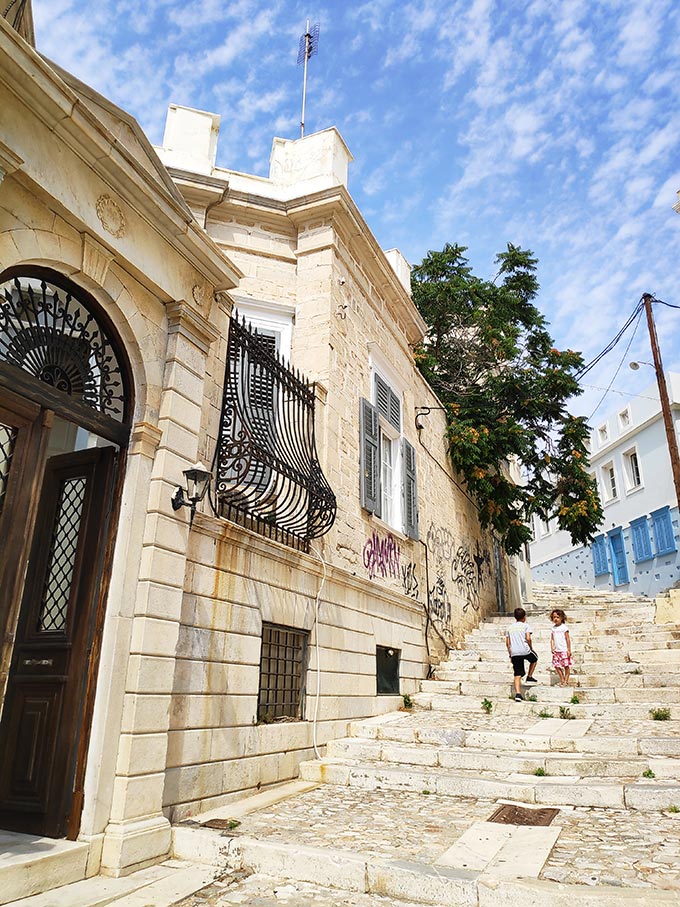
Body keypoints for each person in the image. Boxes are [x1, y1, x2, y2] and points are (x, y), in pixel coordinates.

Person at [505, 606, 538, 701]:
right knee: (535, 659)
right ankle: (529, 676)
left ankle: (518, 694)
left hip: (514, 652)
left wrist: (510, 654)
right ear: (524, 617)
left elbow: (507, 643)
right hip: (525, 650)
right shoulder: (526, 626)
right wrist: (531, 648)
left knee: (517, 674)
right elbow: (528, 638)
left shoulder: (509, 628)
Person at [550, 608, 573, 686]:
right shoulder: (553, 628)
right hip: (557, 650)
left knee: (566, 666)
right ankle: (562, 679)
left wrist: (569, 650)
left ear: (562, 618)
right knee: (557, 666)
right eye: (554, 617)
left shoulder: (564, 627)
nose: (555, 619)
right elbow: (552, 639)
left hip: (564, 650)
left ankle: (566, 681)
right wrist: (552, 647)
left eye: (557, 617)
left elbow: (567, 639)